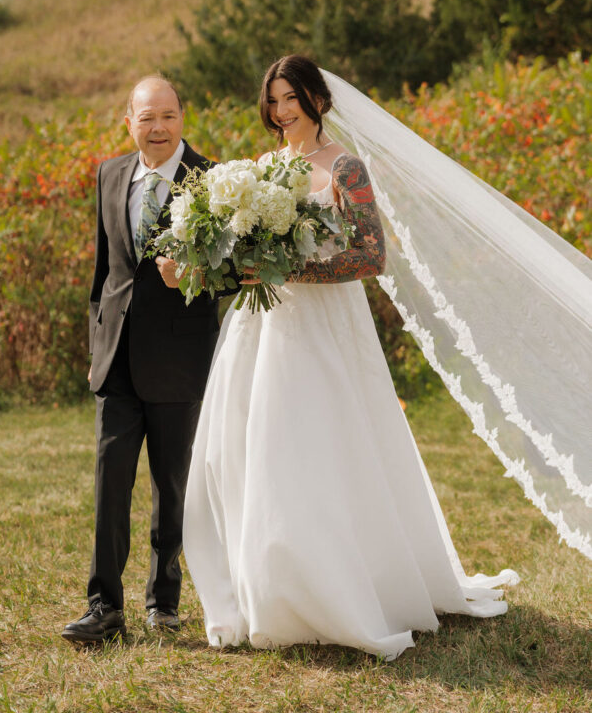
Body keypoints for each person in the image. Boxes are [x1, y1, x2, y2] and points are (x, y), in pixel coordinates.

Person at [182, 55, 520, 660]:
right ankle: (272, 588)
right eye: (274, 101)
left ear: (317, 100)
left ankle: (346, 586)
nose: (282, 112)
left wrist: (293, 268)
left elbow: (371, 256)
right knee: (257, 446)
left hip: (326, 325)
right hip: (264, 325)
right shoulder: (262, 168)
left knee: (324, 444)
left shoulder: (346, 167)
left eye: (292, 99)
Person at [62, 76, 222, 643]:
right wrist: (94, 347)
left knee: (170, 484)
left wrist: (196, 271)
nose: (158, 129)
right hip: (116, 359)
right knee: (110, 482)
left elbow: (230, 272)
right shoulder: (109, 174)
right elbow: (103, 272)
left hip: (180, 356)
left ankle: (164, 601)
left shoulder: (211, 180)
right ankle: (103, 607)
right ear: (128, 120)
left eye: (169, 117)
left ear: (183, 118)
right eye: (146, 117)